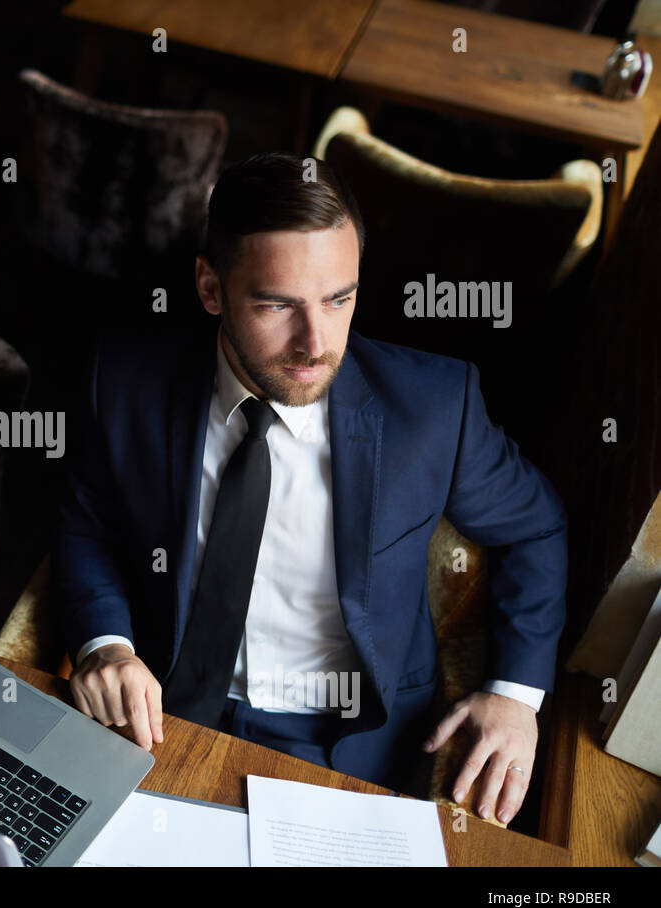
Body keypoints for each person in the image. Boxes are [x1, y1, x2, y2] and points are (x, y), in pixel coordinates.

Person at [53, 152, 568, 824]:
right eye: (276, 304)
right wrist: (105, 646)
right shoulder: (123, 382)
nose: (315, 343)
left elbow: (536, 525)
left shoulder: (437, 408)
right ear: (211, 289)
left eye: (339, 298)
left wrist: (515, 694)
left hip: (350, 748)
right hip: (161, 722)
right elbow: (86, 522)